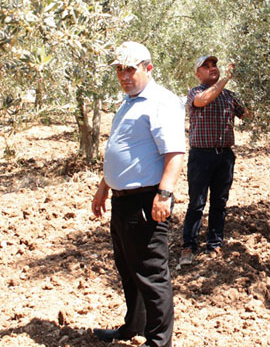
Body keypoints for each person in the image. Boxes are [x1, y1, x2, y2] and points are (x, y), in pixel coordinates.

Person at [91, 41, 185, 346]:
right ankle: (133, 327)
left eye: (130, 68)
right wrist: (104, 187)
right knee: (129, 271)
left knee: (152, 275)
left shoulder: (161, 101)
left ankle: (159, 342)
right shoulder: (129, 102)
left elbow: (174, 152)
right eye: (119, 69)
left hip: (146, 202)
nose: (124, 75)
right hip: (122, 202)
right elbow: (123, 150)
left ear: (148, 68)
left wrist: (164, 195)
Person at [179, 55, 249, 265]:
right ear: (197, 74)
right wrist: (226, 79)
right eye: (206, 66)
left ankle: (214, 244)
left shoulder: (229, 96)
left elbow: (248, 114)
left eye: (214, 65)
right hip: (201, 156)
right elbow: (204, 100)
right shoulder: (195, 93)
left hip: (224, 156)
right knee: (197, 203)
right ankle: (188, 246)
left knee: (220, 203)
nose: (212, 68)